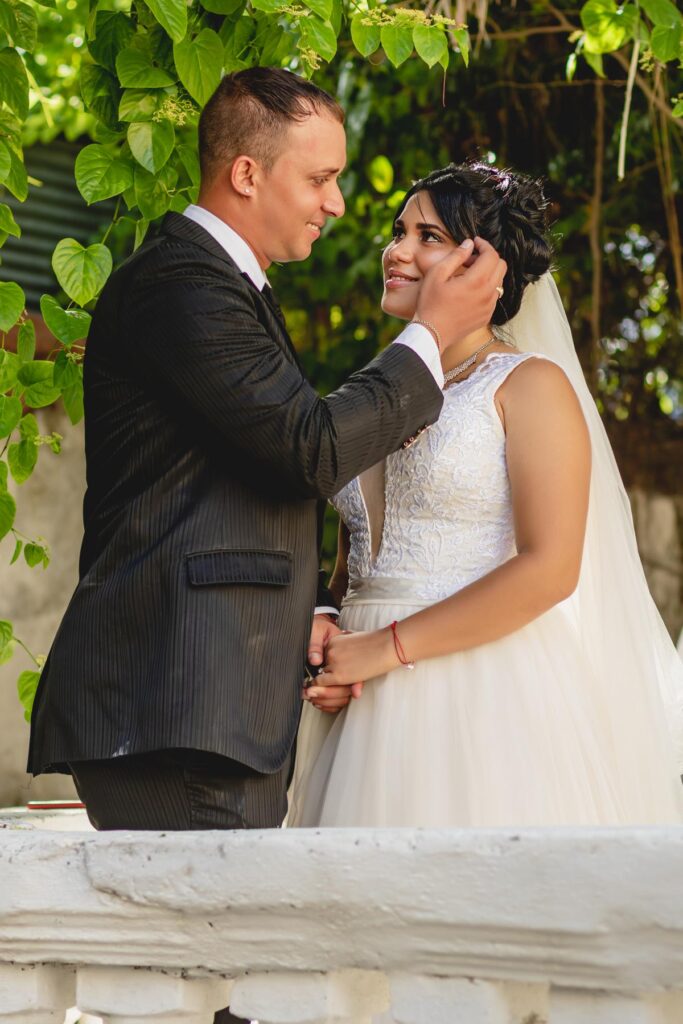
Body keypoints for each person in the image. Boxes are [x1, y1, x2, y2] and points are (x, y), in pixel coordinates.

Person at [288, 162, 683, 829]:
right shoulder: (373, 390)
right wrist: (325, 616)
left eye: (428, 236)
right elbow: (355, 559)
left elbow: (550, 569)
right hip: (355, 693)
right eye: (398, 231)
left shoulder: (528, 386)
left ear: (484, 265)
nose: (397, 251)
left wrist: (387, 646)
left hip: (479, 693)